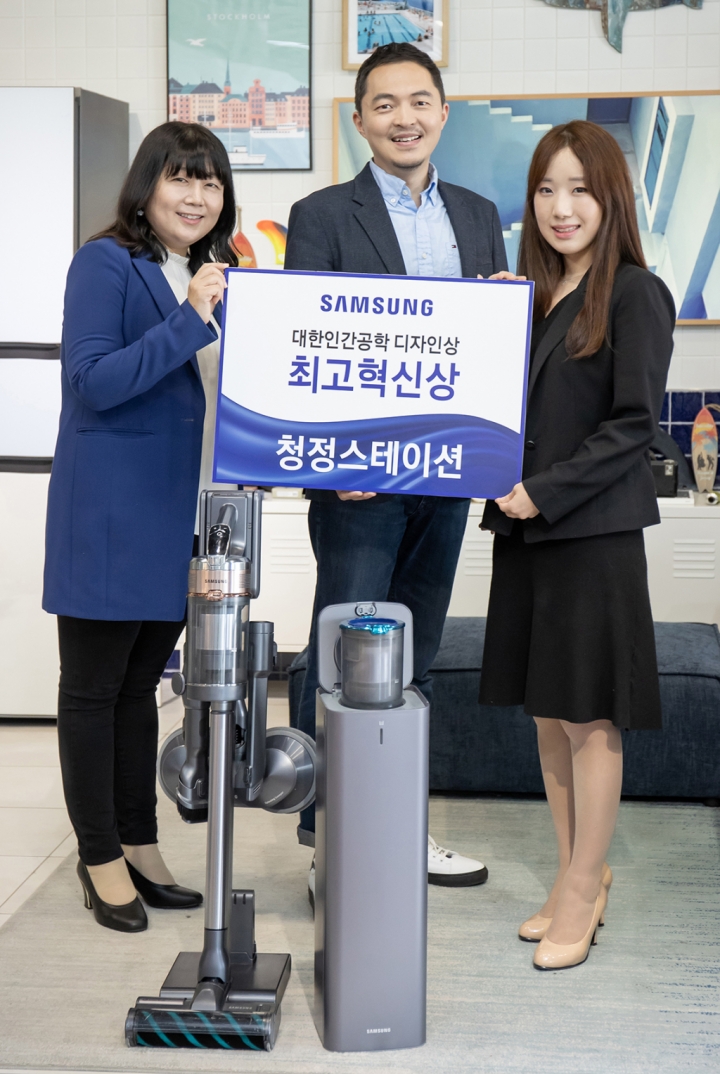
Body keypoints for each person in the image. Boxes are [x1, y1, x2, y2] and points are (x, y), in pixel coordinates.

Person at [285, 42, 510, 894]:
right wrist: (332, 461)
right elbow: (311, 342)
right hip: (360, 485)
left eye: (420, 102)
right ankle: (333, 846)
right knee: (345, 655)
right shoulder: (322, 214)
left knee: (414, 657)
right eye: (385, 104)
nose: (404, 118)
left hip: (444, 475)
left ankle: (400, 828)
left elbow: (485, 347)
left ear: (444, 112)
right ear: (360, 120)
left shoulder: (478, 214)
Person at [479, 120, 675, 970]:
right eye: (546, 190)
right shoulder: (533, 297)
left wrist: (545, 491)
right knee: (550, 714)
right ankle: (570, 877)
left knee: (590, 717)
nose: (562, 207)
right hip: (526, 532)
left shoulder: (634, 292)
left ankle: (587, 886)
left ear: (610, 198)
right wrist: (492, 321)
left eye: (580, 190)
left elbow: (634, 427)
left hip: (589, 533)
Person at [43, 122, 238, 932]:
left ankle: (138, 841)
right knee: (94, 691)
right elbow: (92, 380)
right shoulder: (107, 263)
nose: (196, 196)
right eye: (179, 178)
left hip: (184, 517)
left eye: (210, 182)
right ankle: (98, 856)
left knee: (140, 689)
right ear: (146, 186)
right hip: (112, 514)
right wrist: (189, 318)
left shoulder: (215, 272)